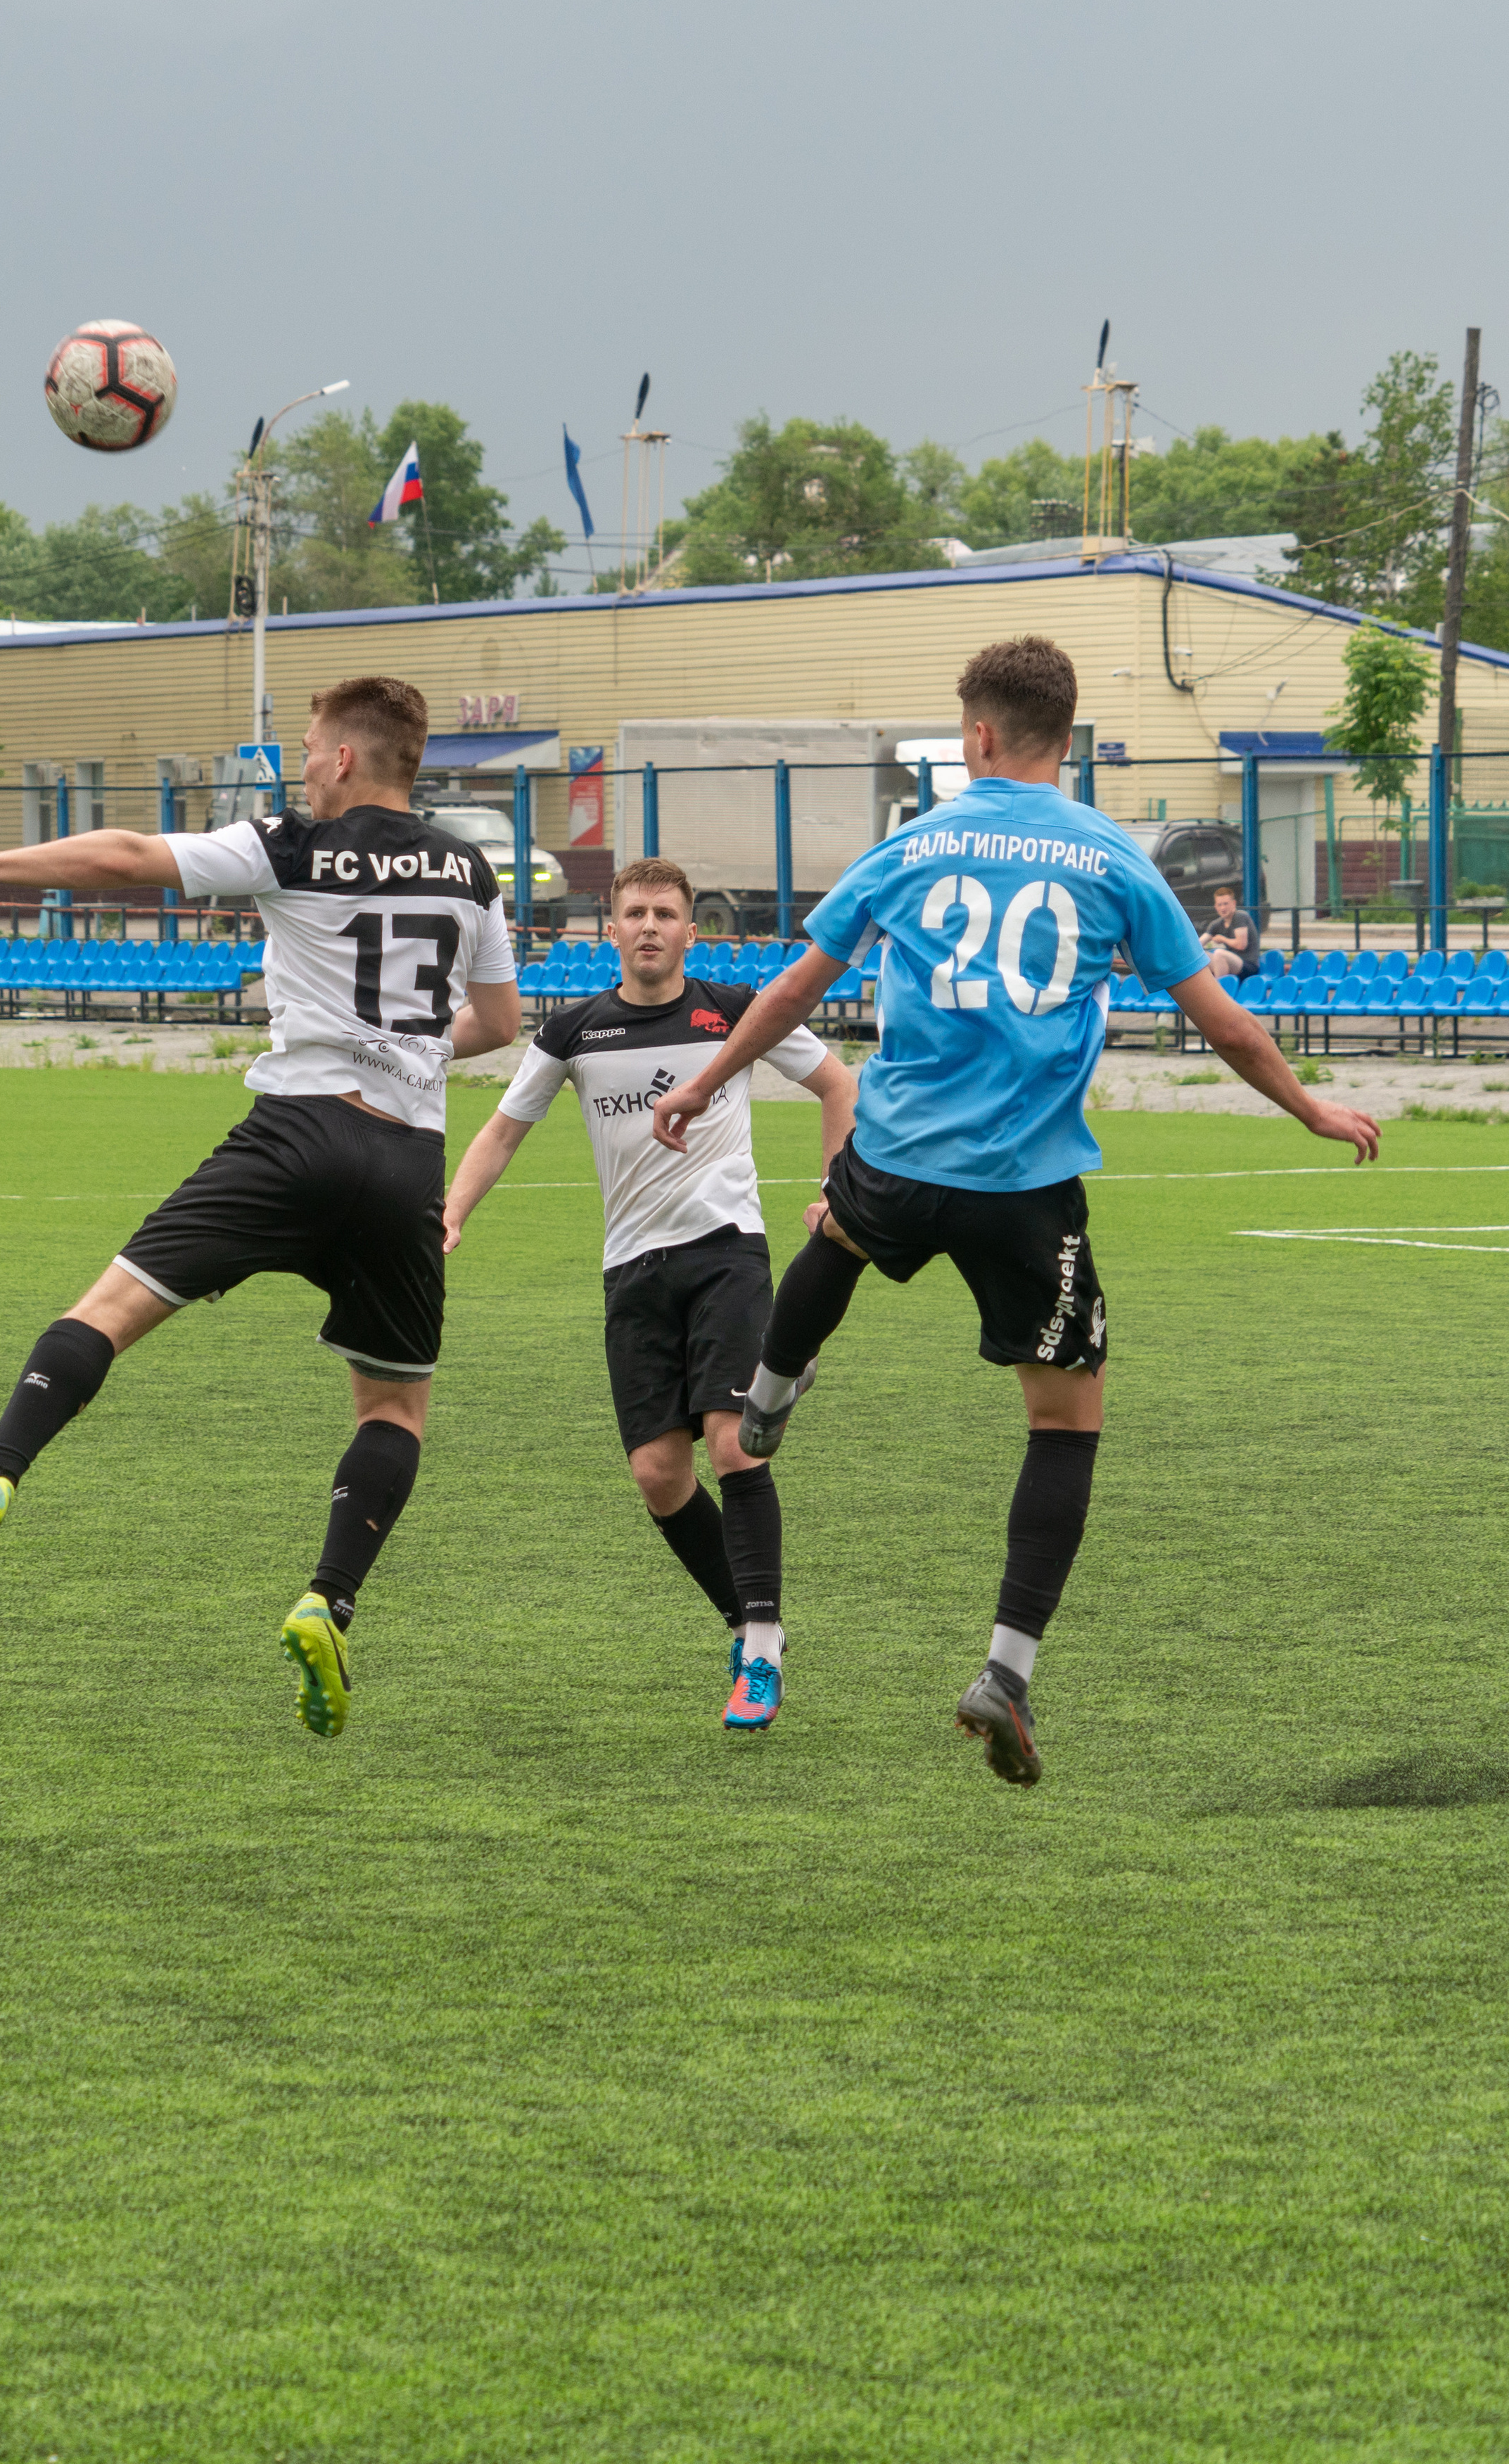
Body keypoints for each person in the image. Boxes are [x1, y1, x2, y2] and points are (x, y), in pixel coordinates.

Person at [650, 636, 1380, 1787]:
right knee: (1065, 1422)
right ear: (1067, 738)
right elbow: (1224, 1025)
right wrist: (1309, 1107)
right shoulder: (1114, 856)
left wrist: (703, 1080)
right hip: (1025, 1189)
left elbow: (795, 988)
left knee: (839, 1227)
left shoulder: (912, 845)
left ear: (979, 737)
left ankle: (773, 1396)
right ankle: (1005, 1671)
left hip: (897, 1158)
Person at [0, 677, 522, 1741]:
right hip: (407, 1160)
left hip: (295, 1136)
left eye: (307, 749)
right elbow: (498, 1021)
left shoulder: (293, 844)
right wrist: (400, 1048)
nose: (302, 766)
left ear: (345, 758)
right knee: (394, 1410)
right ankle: (328, 1601)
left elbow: (128, 856)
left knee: (107, 1312)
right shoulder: (471, 870)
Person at [442, 857, 858, 1732]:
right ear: (611, 929)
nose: (648, 927)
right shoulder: (574, 1031)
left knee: (733, 1446)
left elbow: (837, 1084)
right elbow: (503, 1131)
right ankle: (748, 1622)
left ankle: (760, 1649)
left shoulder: (733, 1011)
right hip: (631, 1268)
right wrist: (451, 1213)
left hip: (726, 1251)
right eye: (634, 913)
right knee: (658, 1476)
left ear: (690, 931)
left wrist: (836, 1191)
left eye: (665, 914)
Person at [1202, 883, 1261, 979]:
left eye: (1226, 904)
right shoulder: (1216, 924)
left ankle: (1219, 986)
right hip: (1231, 963)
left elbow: (1241, 945)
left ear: (1234, 903)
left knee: (1219, 954)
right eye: (1220, 905)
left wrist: (1222, 939)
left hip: (1248, 965)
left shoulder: (1240, 917)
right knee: (1202, 956)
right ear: (1216, 907)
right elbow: (1200, 942)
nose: (1223, 908)